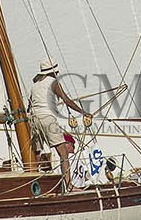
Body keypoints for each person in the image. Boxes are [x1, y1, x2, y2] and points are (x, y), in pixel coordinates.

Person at [26, 59, 92, 191]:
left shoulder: (35, 85)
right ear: (54, 71)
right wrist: (83, 112)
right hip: (47, 118)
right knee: (63, 154)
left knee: (37, 153)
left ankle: (33, 185)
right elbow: (66, 100)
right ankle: (69, 185)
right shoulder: (53, 82)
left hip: (33, 119)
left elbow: (29, 107)